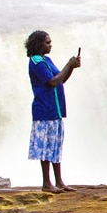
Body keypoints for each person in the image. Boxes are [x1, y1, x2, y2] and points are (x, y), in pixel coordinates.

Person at [25, 30, 81, 194]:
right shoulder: (36, 62)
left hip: (55, 109)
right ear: (38, 44)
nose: (50, 45)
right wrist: (68, 65)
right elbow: (52, 82)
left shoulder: (46, 60)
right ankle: (47, 183)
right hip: (44, 109)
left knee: (55, 146)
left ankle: (59, 181)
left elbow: (61, 79)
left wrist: (71, 68)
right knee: (46, 147)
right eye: (47, 42)